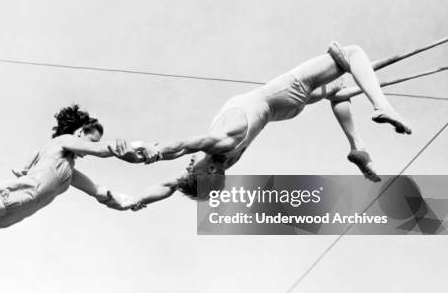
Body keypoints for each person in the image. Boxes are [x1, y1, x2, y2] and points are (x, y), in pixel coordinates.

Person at [111, 42, 412, 208]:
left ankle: (357, 147)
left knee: (337, 91)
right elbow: (183, 144)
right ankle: (382, 106)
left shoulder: (217, 164)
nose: (189, 165)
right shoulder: (221, 144)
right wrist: (154, 151)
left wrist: (136, 199)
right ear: (211, 172)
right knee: (351, 54)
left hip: (283, 110)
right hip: (281, 95)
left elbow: (169, 185)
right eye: (194, 169)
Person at [0, 105, 143, 252]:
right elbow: (103, 150)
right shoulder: (62, 142)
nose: (91, 147)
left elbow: (98, 191)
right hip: (12, 197)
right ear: (80, 132)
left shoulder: (68, 172)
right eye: (92, 140)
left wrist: (128, 201)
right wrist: (134, 147)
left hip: (12, 216)